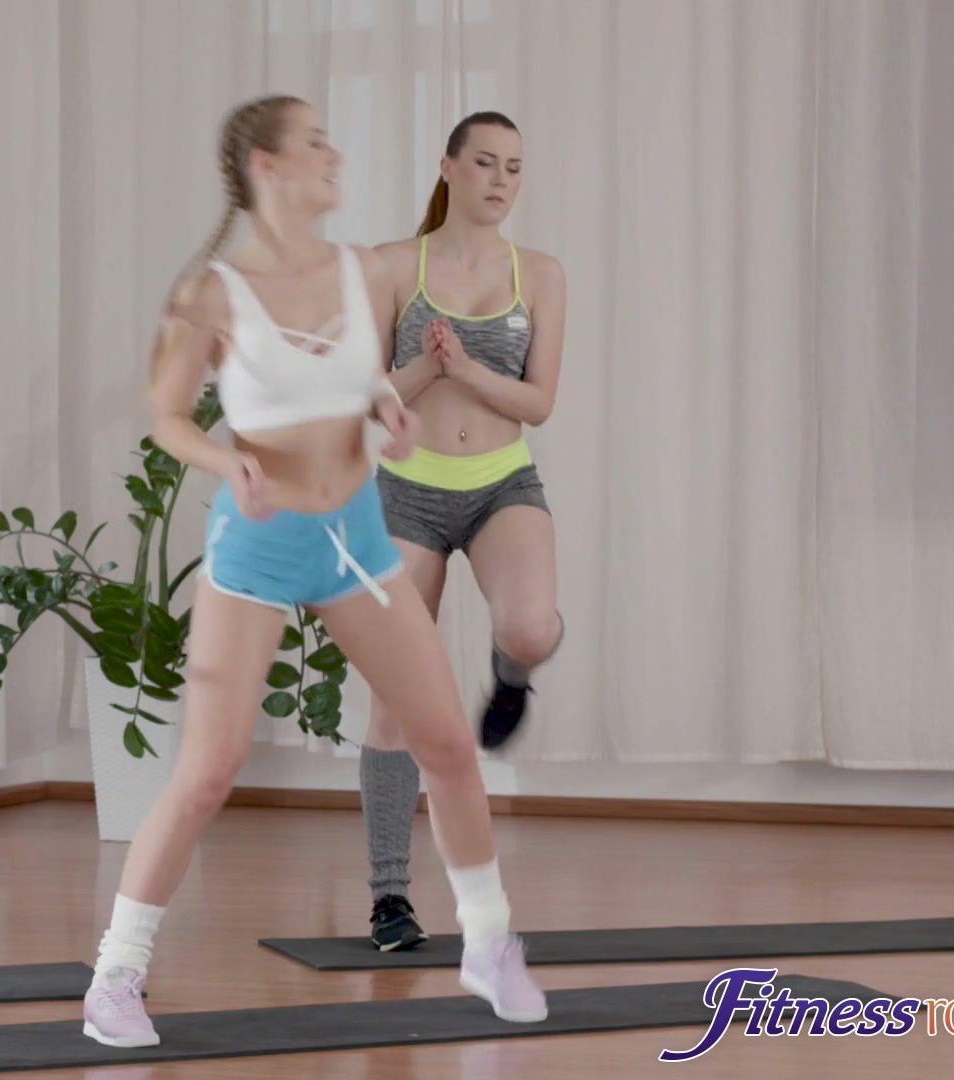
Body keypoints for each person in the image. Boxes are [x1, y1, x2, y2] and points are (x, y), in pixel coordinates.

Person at [79, 96, 548, 1050]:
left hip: (354, 539)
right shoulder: (211, 294)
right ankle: (115, 977)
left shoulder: (357, 270)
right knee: (208, 771)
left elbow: (358, 377)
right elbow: (166, 416)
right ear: (267, 167)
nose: (336, 154)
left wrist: (387, 409)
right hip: (257, 547)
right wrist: (227, 463)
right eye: (316, 142)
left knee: (447, 745)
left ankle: (489, 941)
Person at [357, 111, 568, 951]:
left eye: (514, 167)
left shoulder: (540, 274)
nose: (500, 181)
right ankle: (389, 897)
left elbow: (539, 402)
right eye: (485, 163)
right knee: (396, 699)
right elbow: (364, 395)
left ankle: (512, 678)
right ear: (447, 167)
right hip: (406, 494)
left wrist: (470, 369)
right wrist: (426, 366)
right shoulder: (390, 266)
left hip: (500, 484)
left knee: (530, 627)